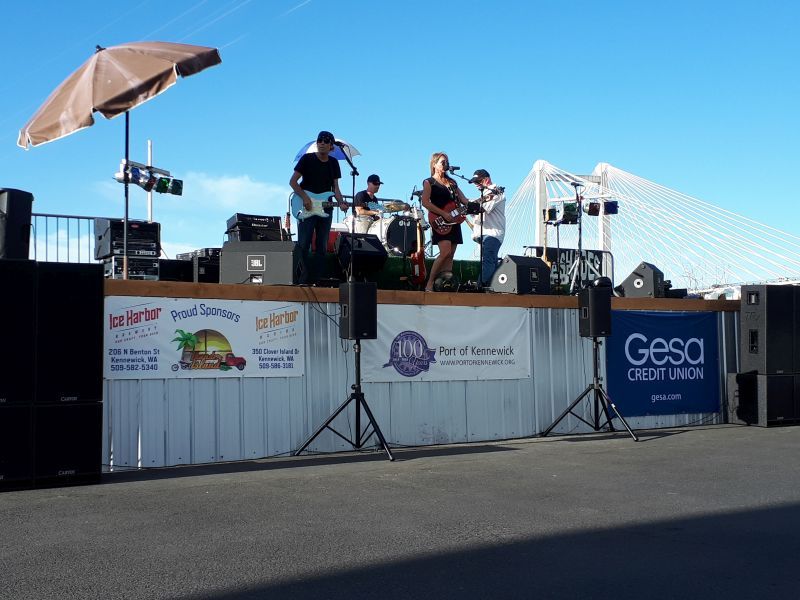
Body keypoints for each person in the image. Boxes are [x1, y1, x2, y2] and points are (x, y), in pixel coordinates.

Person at [289, 130, 348, 284]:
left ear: (331, 146)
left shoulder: (333, 163)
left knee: (322, 245)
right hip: (306, 206)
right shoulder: (307, 159)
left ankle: (317, 278)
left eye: (326, 141)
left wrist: (341, 202)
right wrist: (305, 198)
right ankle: (300, 278)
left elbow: (335, 188)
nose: (322, 143)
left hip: (326, 208)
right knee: (304, 244)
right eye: (320, 140)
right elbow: (293, 182)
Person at [420, 152, 470, 292]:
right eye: (442, 162)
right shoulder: (429, 182)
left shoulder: (452, 182)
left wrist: (480, 201)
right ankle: (430, 283)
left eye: (447, 162)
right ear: (434, 164)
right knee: (445, 252)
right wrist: (443, 214)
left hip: (454, 221)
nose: (446, 164)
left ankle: (445, 284)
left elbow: (464, 200)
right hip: (439, 220)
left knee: (451, 254)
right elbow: (425, 202)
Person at [468, 168, 506, 287]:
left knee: (488, 260)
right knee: (490, 261)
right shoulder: (482, 196)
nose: (476, 184)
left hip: (493, 233)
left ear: (487, 180)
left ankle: (482, 287)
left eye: (478, 181)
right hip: (483, 233)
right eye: (474, 182)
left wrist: (467, 205)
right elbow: (475, 212)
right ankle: (491, 287)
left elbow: (484, 208)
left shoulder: (496, 192)